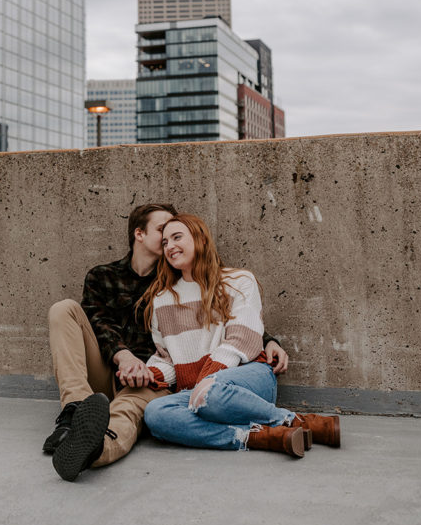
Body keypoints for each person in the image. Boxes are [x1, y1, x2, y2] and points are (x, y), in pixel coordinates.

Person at [45, 203, 290, 482]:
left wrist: (268, 340)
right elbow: (100, 325)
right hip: (115, 369)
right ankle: (74, 413)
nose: (169, 243)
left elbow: (229, 315)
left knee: (132, 412)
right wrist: (124, 358)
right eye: (163, 233)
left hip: (153, 381)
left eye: (177, 235)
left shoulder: (180, 281)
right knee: (63, 309)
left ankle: (95, 449)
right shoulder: (109, 278)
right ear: (140, 234)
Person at [141, 214, 341, 458]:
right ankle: (257, 437)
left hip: (247, 379)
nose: (170, 246)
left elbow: (242, 339)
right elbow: (167, 357)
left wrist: (207, 378)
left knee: (210, 393)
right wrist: (150, 373)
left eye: (177, 237)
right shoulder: (162, 301)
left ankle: (293, 420)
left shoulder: (238, 281)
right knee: (155, 413)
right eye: (164, 242)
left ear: (200, 239)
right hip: (195, 392)